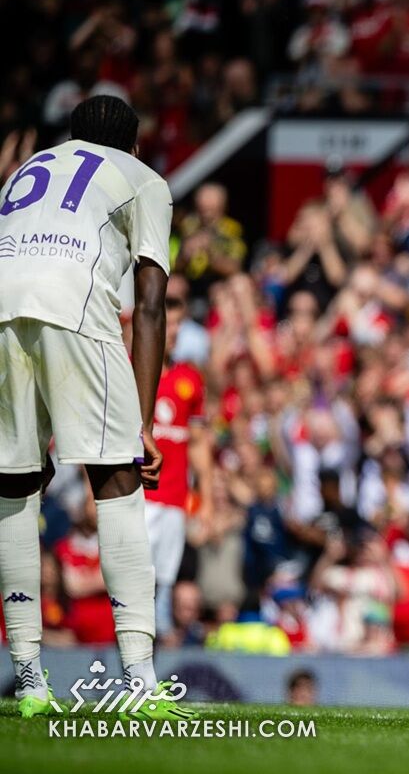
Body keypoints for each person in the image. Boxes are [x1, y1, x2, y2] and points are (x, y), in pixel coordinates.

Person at [0, 95, 192, 719]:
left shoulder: (29, 168)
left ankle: (29, 682)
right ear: (133, 145)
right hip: (75, 307)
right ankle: (140, 682)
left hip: (2, 311)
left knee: (15, 489)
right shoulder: (144, 179)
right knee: (117, 478)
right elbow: (152, 302)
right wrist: (142, 421)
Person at [146, 274, 214, 635]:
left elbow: (200, 442)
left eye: (177, 326)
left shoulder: (190, 379)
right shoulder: (133, 369)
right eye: (167, 324)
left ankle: (150, 671)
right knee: (134, 581)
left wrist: (206, 500)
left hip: (174, 498)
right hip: (138, 494)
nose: (172, 332)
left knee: (163, 582)